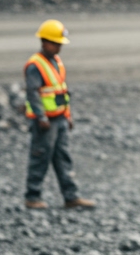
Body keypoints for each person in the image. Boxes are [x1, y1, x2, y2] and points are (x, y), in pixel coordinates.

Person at [23, 20, 95, 211]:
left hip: (60, 118)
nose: (59, 47)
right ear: (44, 42)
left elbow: (60, 91)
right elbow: (33, 93)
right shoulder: (35, 65)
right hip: (45, 122)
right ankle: (32, 196)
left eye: (60, 43)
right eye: (56, 43)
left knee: (62, 157)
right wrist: (41, 117)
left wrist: (68, 115)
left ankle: (71, 196)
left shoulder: (56, 62)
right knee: (40, 157)